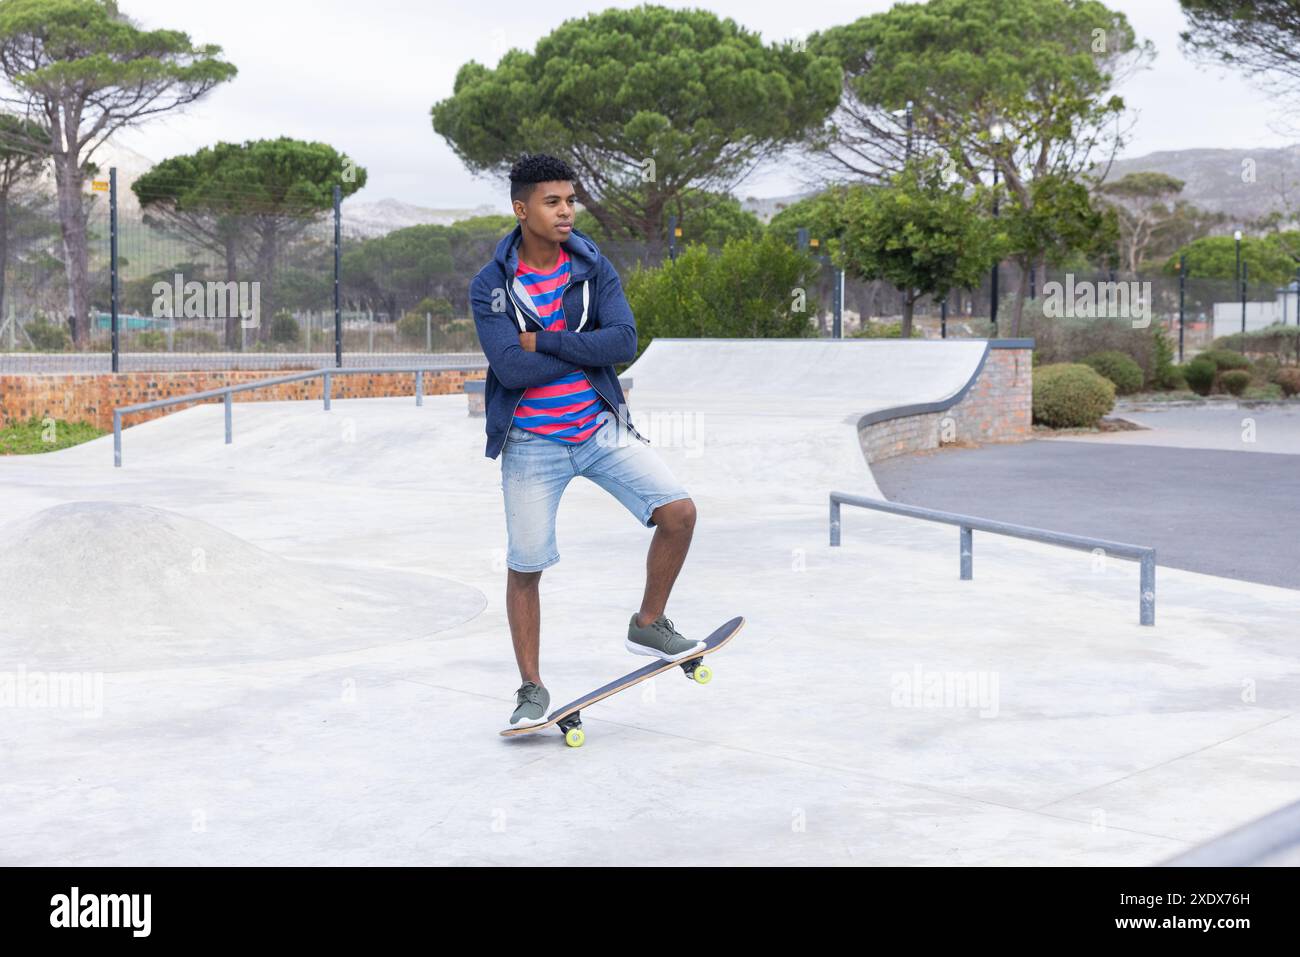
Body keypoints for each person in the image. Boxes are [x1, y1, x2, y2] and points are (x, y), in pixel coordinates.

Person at [469, 153, 702, 728]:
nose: (567, 211)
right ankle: (531, 688)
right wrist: (570, 346)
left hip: (599, 427)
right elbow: (509, 369)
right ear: (522, 209)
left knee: (679, 512)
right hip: (531, 444)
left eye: (571, 200)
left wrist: (540, 342)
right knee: (526, 565)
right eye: (553, 202)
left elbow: (622, 342)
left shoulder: (592, 265)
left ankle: (648, 624)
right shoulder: (491, 286)